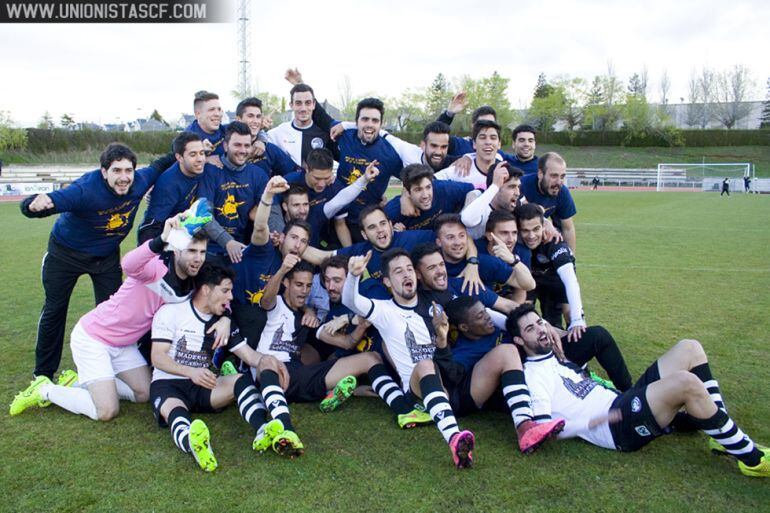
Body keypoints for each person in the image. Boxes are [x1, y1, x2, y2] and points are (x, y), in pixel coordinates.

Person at [507, 304, 770, 478]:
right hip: (617, 427)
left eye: (540, 322)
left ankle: (720, 437)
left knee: (690, 347)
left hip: (623, 402)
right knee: (686, 383)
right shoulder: (534, 375)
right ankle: (752, 459)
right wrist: (591, 422)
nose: (541, 330)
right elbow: (543, 431)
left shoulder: (556, 357)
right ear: (519, 341)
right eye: (531, 329)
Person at [10, 215, 230, 421]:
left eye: (202, 252)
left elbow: (212, 298)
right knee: (106, 410)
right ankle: (44, 390)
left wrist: (226, 318)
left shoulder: (191, 282)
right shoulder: (155, 268)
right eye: (191, 251)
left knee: (144, 393)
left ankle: (76, 381)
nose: (198, 258)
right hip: (94, 337)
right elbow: (128, 264)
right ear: (176, 250)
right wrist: (161, 238)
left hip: (124, 344)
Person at [19, 143, 174, 380]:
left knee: (115, 313)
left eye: (128, 171)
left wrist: (199, 146)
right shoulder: (85, 190)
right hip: (65, 255)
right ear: (104, 172)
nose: (124, 177)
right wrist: (32, 204)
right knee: (54, 310)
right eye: (116, 171)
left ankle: (111, 367)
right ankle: (43, 374)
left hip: (105, 258)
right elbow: (49, 202)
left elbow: (162, 162)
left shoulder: (140, 180)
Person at [256, 254, 430, 432]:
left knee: (371, 358)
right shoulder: (291, 308)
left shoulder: (367, 289)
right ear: (286, 283)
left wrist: (353, 322)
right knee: (274, 361)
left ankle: (404, 409)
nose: (330, 287)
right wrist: (283, 271)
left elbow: (371, 323)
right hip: (274, 371)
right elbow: (267, 300)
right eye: (327, 281)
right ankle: (286, 427)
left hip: (304, 374)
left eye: (308, 286)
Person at [341, 248, 477, 468]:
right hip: (418, 391)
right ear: (387, 281)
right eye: (398, 272)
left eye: (409, 269)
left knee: (499, 356)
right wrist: (353, 275)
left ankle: (527, 421)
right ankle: (454, 437)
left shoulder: (433, 302)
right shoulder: (384, 310)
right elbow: (351, 301)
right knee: (424, 365)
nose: (406, 275)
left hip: (450, 380)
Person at [149, 264, 290, 471]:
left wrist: (269, 360)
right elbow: (157, 358)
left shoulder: (223, 321)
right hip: (168, 384)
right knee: (176, 413)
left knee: (241, 380)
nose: (230, 297)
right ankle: (193, 444)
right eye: (225, 290)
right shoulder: (171, 312)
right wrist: (191, 372)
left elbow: (249, 355)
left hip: (203, 386)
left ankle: (263, 429)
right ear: (206, 289)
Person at [137, 132, 238, 254]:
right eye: (193, 154)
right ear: (179, 157)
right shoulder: (169, 185)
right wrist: (153, 256)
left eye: (202, 153)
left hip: (191, 239)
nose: (200, 159)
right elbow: (151, 227)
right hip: (168, 243)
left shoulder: (201, 169)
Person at [272, 150, 380, 247]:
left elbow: (340, 223)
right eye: (317, 178)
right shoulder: (288, 182)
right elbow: (272, 210)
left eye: (326, 178)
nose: (321, 184)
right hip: (283, 240)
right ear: (306, 169)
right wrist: (281, 235)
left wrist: (349, 252)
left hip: (314, 241)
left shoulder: (335, 187)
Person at [196, 121, 269, 260]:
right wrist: (227, 241)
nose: (242, 150)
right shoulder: (210, 171)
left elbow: (271, 213)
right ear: (225, 146)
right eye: (237, 145)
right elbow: (203, 215)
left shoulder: (258, 175)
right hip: (210, 249)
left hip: (242, 248)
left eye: (247, 145)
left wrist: (275, 233)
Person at [515, 203, 585, 334]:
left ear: (544, 226)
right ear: (518, 230)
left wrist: (577, 319)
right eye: (525, 230)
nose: (531, 236)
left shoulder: (555, 243)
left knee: (567, 315)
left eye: (536, 229)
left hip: (555, 278)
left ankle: (574, 344)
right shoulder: (514, 242)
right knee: (524, 317)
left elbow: (570, 280)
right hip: (530, 278)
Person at [434, 214, 534, 295]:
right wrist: (472, 263)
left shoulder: (489, 262)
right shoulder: (433, 261)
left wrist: (513, 260)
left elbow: (528, 285)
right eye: (504, 233)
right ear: (489, 236)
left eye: (514, 233)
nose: (511, 239)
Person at [384, 163, 476, 231]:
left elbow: (476, 189)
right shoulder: (393, 210)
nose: (425, 195)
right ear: (407, 192)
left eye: (428, 187)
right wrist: (394, 235)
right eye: (418, 190)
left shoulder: (444, 189)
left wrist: (463, 218)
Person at [268, 80, 338, 166]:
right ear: (291, 105)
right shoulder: (278, 132)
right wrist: (260, 129)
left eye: (308, 103)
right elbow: (258, 142)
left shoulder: (325, 133)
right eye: (298, 103)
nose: (303, 108)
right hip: (288, 179)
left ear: (314, 104)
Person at [519, 152, 577, 253]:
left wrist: (571, 258)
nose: (559, 182)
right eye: (554, 176)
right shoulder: (521, 185)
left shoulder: (562, 192)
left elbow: (568, 229)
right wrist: (545, 222)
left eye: (562, 176)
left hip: (537, 238)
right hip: (516, 237)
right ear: (540, 174)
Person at [434, 120, 504, 190]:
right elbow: (428, 182)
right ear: (474, 144)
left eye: (493, 138)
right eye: (482, 137)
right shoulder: (459, 170)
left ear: (499, 144)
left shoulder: (506, 173)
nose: (488, 142)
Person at [460, 162, 523, 239]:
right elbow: (467, 220)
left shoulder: (515, 205)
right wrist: (495, 186)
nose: (517, 193)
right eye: (512, 187)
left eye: (518, 187)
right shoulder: (478, 201)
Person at [186, 90, 226, 162]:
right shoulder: (186, 138)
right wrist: (204, 158)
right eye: (211, 110)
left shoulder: (226, 131)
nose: (217, 114)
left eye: (219, 109)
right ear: (198, 114)